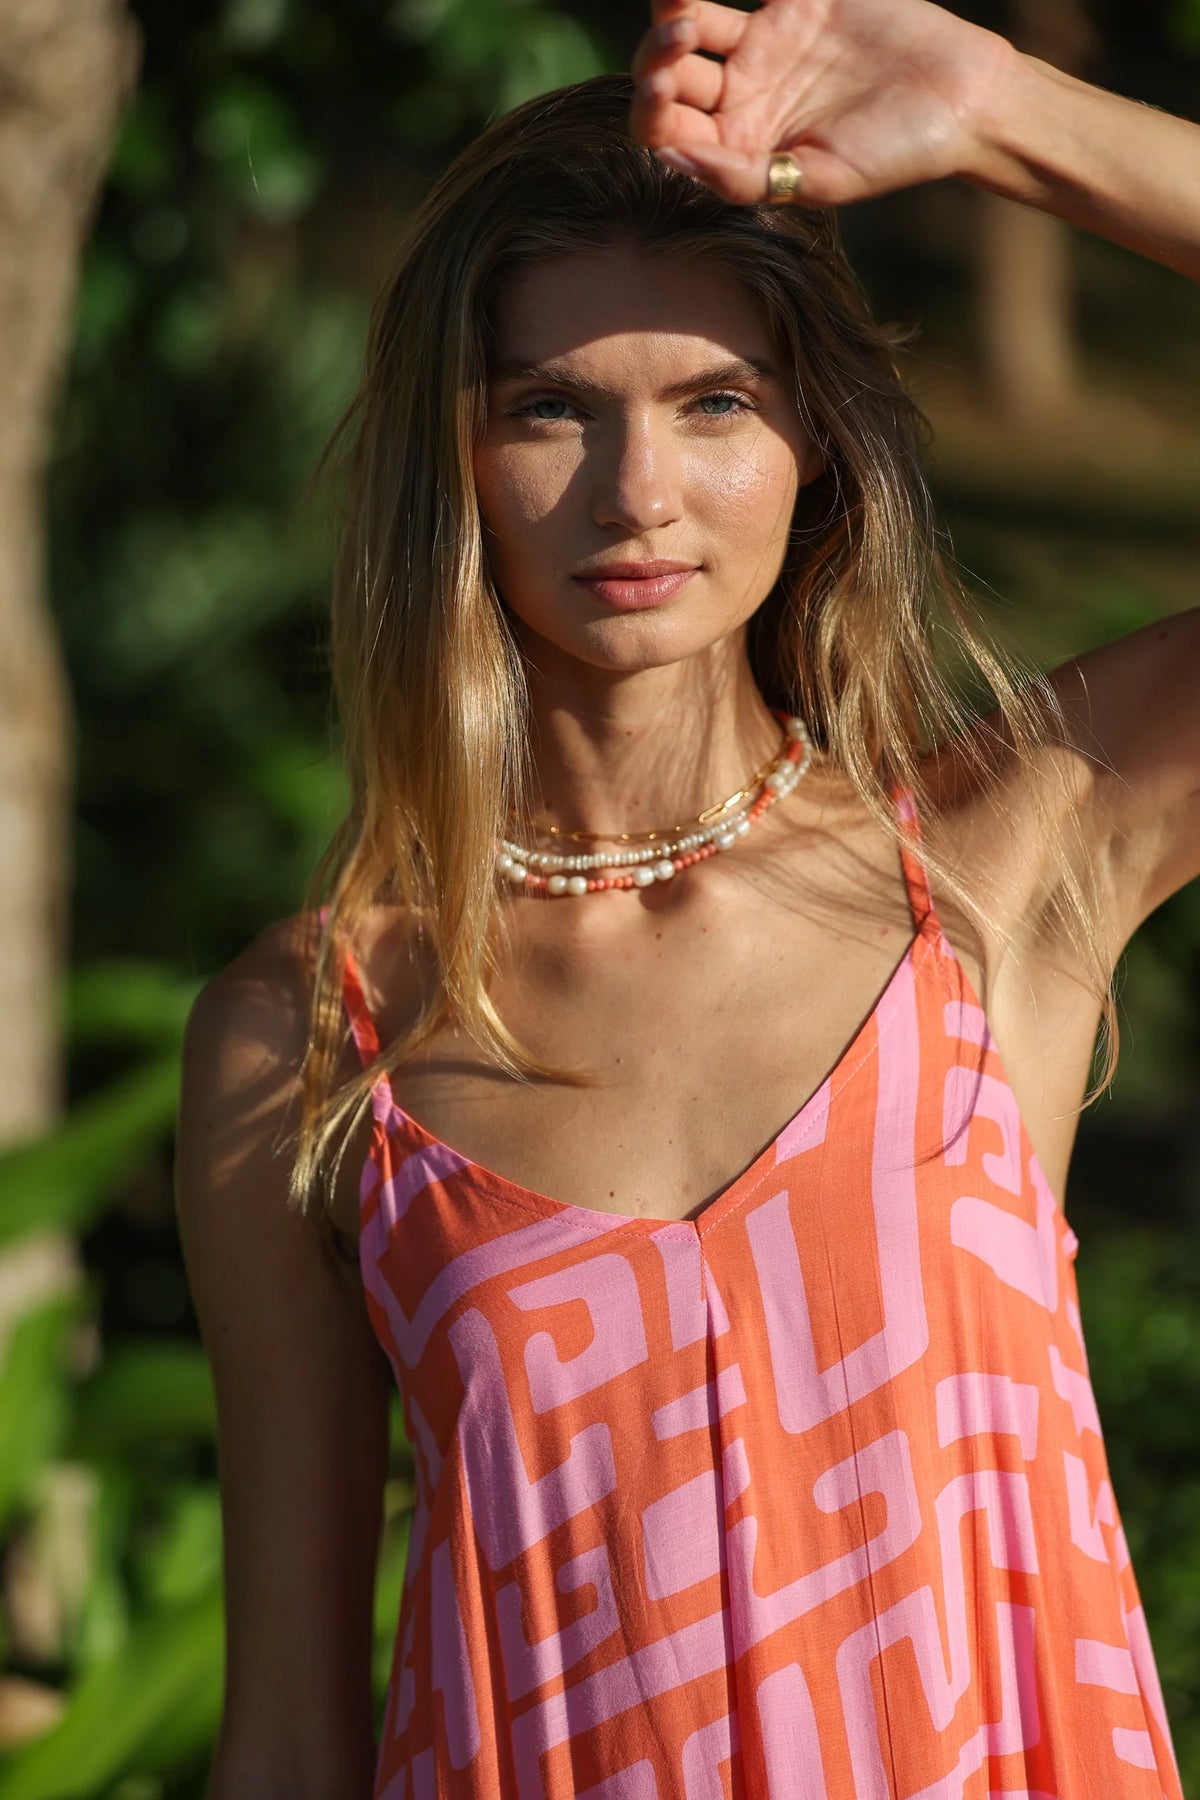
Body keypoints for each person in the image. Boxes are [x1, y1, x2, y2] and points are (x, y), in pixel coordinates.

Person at [175, 0, 1200, 1794]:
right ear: (452, 465)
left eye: (714, 400)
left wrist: (1007, 113)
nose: (638, 493)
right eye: (550, 409)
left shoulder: (1003, 874)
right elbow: (287, 1735)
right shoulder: (316, 1034)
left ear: (816, 442)